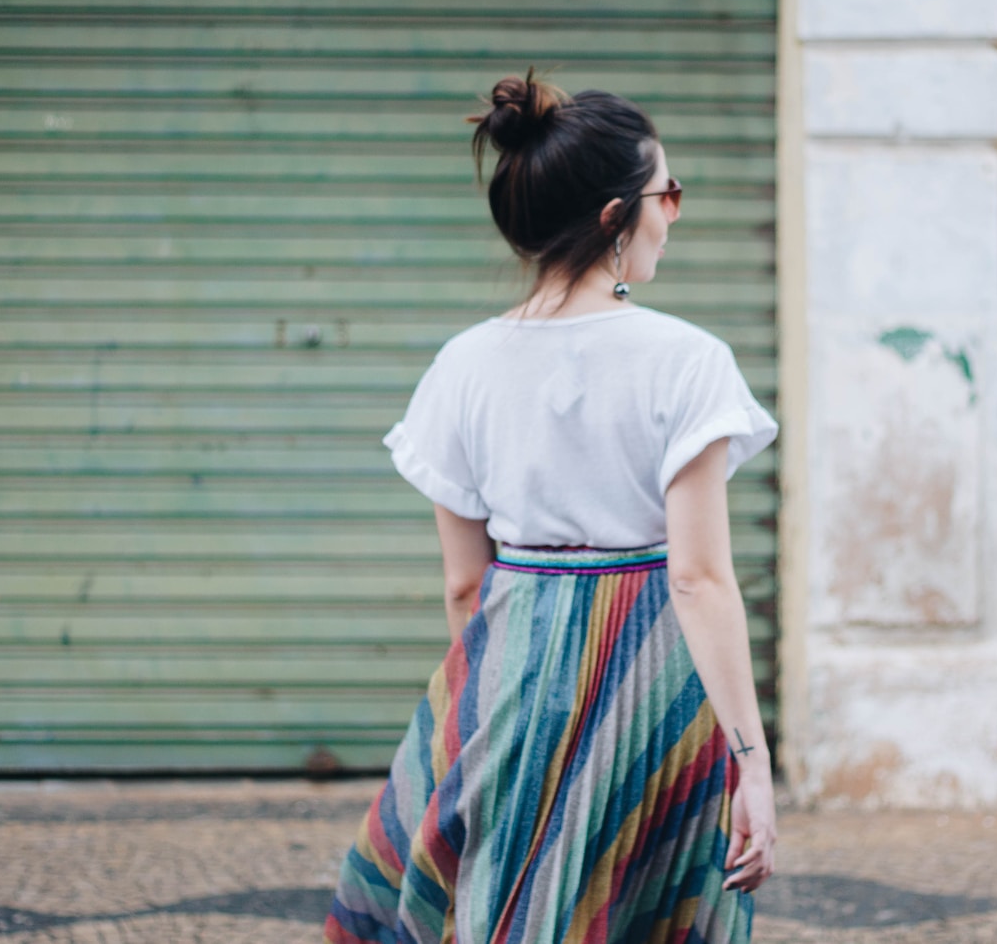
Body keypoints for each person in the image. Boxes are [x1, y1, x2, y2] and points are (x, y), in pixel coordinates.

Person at [324, 72, 779, 944]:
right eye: (666, 194)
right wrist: (751, 762)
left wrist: (493, 717)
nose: (673, 214)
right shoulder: (688, 361)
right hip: (658, 692)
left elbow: (465, 587)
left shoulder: (463, 365)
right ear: (616, 216)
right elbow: (698, 577)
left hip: (510, 682)